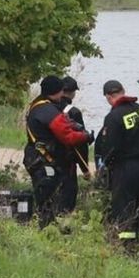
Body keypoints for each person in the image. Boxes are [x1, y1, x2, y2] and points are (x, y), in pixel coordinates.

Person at [96, 80, 139, 256]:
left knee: (123, 208)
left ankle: (127, 251)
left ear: (109, 97)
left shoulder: (113, 117)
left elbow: (110, 147)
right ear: (123, 91)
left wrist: (105, 164)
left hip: (125, 168)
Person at [24, 75, 89, 228]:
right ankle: (53, 233)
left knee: (46, 201)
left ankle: (48, 230)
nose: (62, 95)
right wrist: (85, 136)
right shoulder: (48, 110)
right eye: (61, 92)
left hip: (38, 160)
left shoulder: (37, 105)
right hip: (47, 163)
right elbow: (68, 137)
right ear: (56, 92)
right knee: (53, 202)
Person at [57, 76, 91, 214]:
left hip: (47, 160)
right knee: (67, 198)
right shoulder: (73, 112)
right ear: (72, 93)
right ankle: (64, 228)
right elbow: (80, 142)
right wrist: (85, 168)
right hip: (67, 162)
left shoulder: (47, 107)